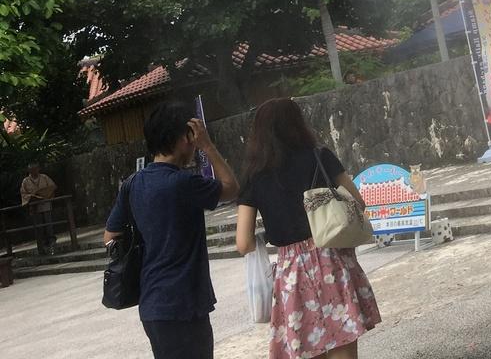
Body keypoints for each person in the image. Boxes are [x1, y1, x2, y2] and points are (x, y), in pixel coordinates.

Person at [235, 98, 380, 359]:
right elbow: (358, 202)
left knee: (307, 348)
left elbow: (243, 243)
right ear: (297, 123)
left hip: (291, 274)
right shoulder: (319, 157)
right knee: (343, 343)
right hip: (332, 260)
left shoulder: (253, 175)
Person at [103, 101, 238, 359]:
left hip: (152, 304)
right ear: (186, 137)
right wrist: (208, 146)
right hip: (184, 303)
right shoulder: (184, 182)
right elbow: (231, 187)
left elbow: (109, 236)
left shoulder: (132, 184)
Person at [20, 162, 57, 254]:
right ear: (29, 171)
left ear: (38, 169)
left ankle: (52, 241)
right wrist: (32, 197)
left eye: (35, 169)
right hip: (35, 206)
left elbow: (52, 187)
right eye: (31, 170)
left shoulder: (44, 177)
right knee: (39, 226)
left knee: (48, 224)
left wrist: (46, 194)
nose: (34, 171)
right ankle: (42, 244)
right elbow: (23, 194)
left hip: (45, 203)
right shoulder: (25, 181)